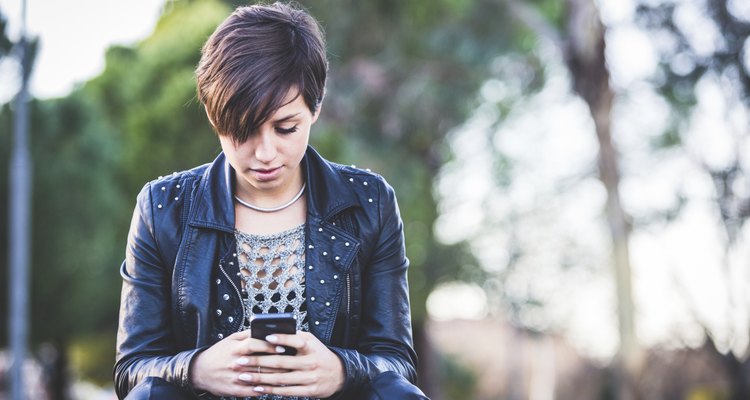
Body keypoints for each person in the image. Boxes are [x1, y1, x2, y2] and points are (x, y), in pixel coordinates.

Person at [114, 2, 428, 399]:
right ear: (214, 119)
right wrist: (196, 369)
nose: (265, 153)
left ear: (315, 107)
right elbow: (131, 371)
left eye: (285, 128)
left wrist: (341, 371)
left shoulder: (370, 202)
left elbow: (396, 363)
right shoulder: (163, 207)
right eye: (242, 131)